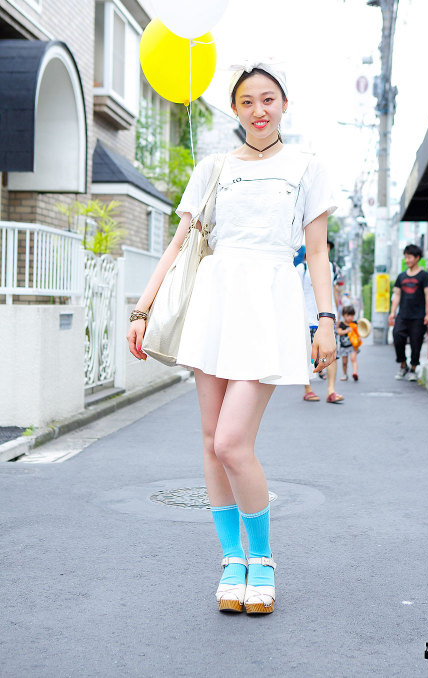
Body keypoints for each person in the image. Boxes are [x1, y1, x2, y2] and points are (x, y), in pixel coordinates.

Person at [126, 62, 338, 616]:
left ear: (284, 105)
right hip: (216, 302)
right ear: (236, 109)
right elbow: (179, 244)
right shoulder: (216, 167)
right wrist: (142, 309)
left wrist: (327, 319)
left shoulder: (306, 166)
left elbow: (317, 252)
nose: (259, 110)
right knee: (207, 441)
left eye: (269, 99)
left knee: (230, 443)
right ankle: (231, 562)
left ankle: (262, 559)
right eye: (247, 102)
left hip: (268, 304)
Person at [297, 249, 344, 403]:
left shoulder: (332, 268)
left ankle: (331, 390)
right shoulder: (302, 269)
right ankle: (308, 389)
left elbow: (336, 291)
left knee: (331, 354)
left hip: (328, 319)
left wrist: (338, 313)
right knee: (308, 356)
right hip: (307, 319)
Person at [388, 244, 428, 381]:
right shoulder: (401, 277)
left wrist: (427, 313)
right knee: (397, 336)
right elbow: (397, 295)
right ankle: (403, 365)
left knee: (416, 342)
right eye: (406, 257)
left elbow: (427, 295)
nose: (407, 260)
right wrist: (392, 312)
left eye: (410, 257)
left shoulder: (424, 276)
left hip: (418, 316)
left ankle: (413, 368)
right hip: (403, 315)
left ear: (417, 258)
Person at [338, 305, 360, 381]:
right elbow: (339, 332)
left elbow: (361, 326)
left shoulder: (354, 323)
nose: (350, 317)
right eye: (348, 315)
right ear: (343, 315)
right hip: (344, 346)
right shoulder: (342, 324)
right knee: (344, 362)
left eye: (352, 315)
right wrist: (346, 331)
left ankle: (355, 373)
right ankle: (345, 374)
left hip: (352, 346)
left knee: (353, 359)